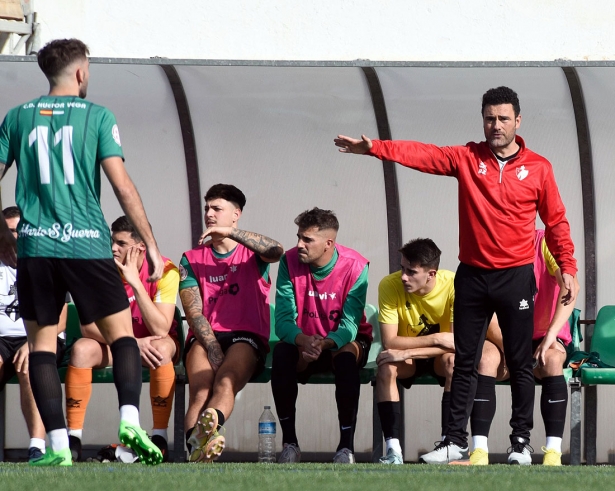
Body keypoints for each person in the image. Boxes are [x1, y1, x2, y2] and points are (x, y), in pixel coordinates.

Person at [334, 86, 577, 465]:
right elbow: (425, 155)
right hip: (473, 277)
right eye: (489, 118)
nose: (495, 125)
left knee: (519, 360)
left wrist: (568, 269)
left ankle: (520, 443)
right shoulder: (467, 158)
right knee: (465, 359)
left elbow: (557, 222)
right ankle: (454, 441)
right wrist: (377, 148)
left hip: (515, 277)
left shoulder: (539, 168)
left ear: (518, 120)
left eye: (502, 118)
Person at [0, 38, 165, 466]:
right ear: (80, 72)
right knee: (123, 337)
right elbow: (122, 186)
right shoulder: (97, 116)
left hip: (36, 248)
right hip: (86, 244)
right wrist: (151, 244)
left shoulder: (17, 117)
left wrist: (5, 236)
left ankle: (56, 448)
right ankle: (129, 420)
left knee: (41, 345)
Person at [180, 183, 283, 463]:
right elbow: (193, 312)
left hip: (245, 337)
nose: (209, 214)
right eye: (207, 208)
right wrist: (212, 346)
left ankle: (207, 430)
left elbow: (276, 250)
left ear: (236, 214)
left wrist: (230, 234)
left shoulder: (253, 254)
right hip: (206, 336)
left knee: (225, 382)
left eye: (217, 208)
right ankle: (196, 451)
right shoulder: (191, 259)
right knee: (200, 389)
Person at [376, 237, 503, 465]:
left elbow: (458, 344)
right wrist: (435, 337)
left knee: (454, 362)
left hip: (437, 355)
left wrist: (407, 352)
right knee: (386, 368)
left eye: (411, 272)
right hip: (415, 354)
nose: (403, 276)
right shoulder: (389, 284)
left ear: (431, 274)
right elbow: (390, 340)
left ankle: (448, 443)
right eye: (402, 268)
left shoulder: (455, 284)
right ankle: (393, 450)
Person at [65, 215, 180, 462]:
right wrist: (130, 343)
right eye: (111, 242)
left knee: (160, 348)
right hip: (119, 344)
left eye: (120, 243)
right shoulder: (101, 270)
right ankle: (72, 438)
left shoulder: (166, 269)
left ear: (140, 247)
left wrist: (136, 283)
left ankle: (159, 437)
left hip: (154, 344)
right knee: (81, 350)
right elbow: (88, 328)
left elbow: (161, 326)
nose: (113, 248)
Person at [461, 229, 580, 466]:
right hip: (504, 335)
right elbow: (483, 307)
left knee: (553, 360)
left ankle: (551, 452)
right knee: (485, 359)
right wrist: (515, 350)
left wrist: (550, 336)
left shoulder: (542, 241)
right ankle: (479, 451)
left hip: (543, 335)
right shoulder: (488, 245)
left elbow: (570, 287)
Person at [272, 207, 372, 464]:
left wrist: (325, 342)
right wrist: (305, 340)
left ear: (329, 243)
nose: (299, 245)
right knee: (282, 353)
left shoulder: (356, 265)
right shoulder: (288, 260)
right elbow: (283, 321)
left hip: (342, 341)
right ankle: (290, 444)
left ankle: (345, 448)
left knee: (346, 357)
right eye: (298, 237)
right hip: (306, 341)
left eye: (307, 240)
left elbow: (350, 325)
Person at [0, 206, 68, 462]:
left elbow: (61, 320)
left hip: (42, 337)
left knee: (32, 364)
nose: (12, 237)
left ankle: (36, 447)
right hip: (2, 340)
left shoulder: (47, 262)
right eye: (6, 231)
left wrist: (33, 343)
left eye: (18, 231)